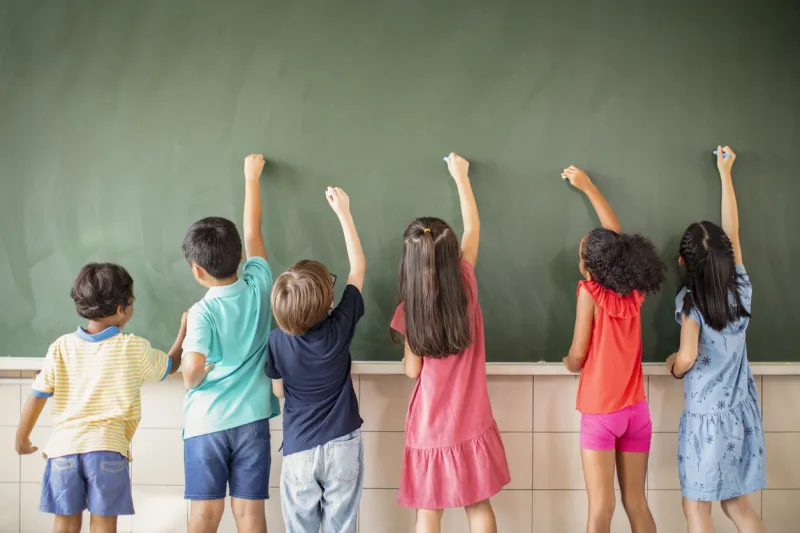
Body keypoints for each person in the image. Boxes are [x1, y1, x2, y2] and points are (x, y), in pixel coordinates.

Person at [15, 262, 185, 533]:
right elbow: (170, 366)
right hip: (107, 450)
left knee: (65, 525)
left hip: (63, 451)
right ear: (121, 310)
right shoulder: (132, 347)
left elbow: (37, 395)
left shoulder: (60, 347)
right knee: (104, 525)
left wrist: (21, 437)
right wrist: (183, 331)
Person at [390, 153, 510, 533]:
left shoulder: (409, 311)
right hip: (472, 420)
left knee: (429, 510)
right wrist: (461, 176)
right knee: (478, 506)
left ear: (410, 262)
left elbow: (412, 372)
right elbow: (473, 228)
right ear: (451, 255)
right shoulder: (467, 284)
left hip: (430, 427)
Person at [667, 146, 766, 533]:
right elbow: (733, 231)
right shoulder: (739, 287)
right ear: (726, 257)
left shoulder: (691, 302)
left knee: (695, 507)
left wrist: (674, 363)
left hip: (707, 420)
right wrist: (725, 174)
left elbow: (688, 356)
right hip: (741, 414)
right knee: (737, 506)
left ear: (682, 262)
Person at [561, 166, 665, 533]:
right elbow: (618, 241)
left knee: (600, 510)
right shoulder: (635, 291)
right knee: (636, 503)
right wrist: (589, 187)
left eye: (581, 256)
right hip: (637, 412)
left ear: (590, 268)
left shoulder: (588, 294)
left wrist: (567, 361)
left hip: (601, 415)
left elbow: (577, 356)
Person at [180, 154, 280, 533]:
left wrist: (195, 379)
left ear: (196, 270)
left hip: (207, 422)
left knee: (205, 515)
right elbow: (253, 233)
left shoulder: (201, 313)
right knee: (250, 514)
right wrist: (251, 178)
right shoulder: (259, 285)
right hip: (252, 418)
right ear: (240, 256)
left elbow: (191, 369)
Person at [265, 186, 366, 533]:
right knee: (342, 526)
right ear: (327, 302)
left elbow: (279, 392)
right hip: (342, 443)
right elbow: (358, 268)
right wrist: (344, 213)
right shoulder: (339, 328)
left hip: (298, 449)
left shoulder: (276, 342)